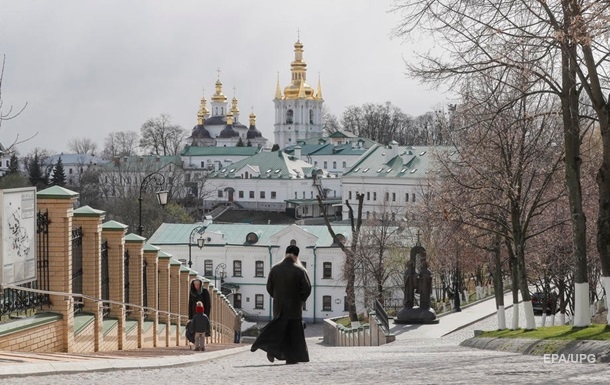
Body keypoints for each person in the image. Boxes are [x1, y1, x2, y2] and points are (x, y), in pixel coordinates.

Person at [251, 244, 312, 365]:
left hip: (279, 307)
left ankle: (270, 348)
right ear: (296, 256)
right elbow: (307, 288)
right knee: (293, 333)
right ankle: (291, 357)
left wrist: (278, 297)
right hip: (294, 308)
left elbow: (269, 287)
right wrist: (300, 300)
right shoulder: (300, 270)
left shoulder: (275, 269)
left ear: (286, 254)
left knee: (279, 330)